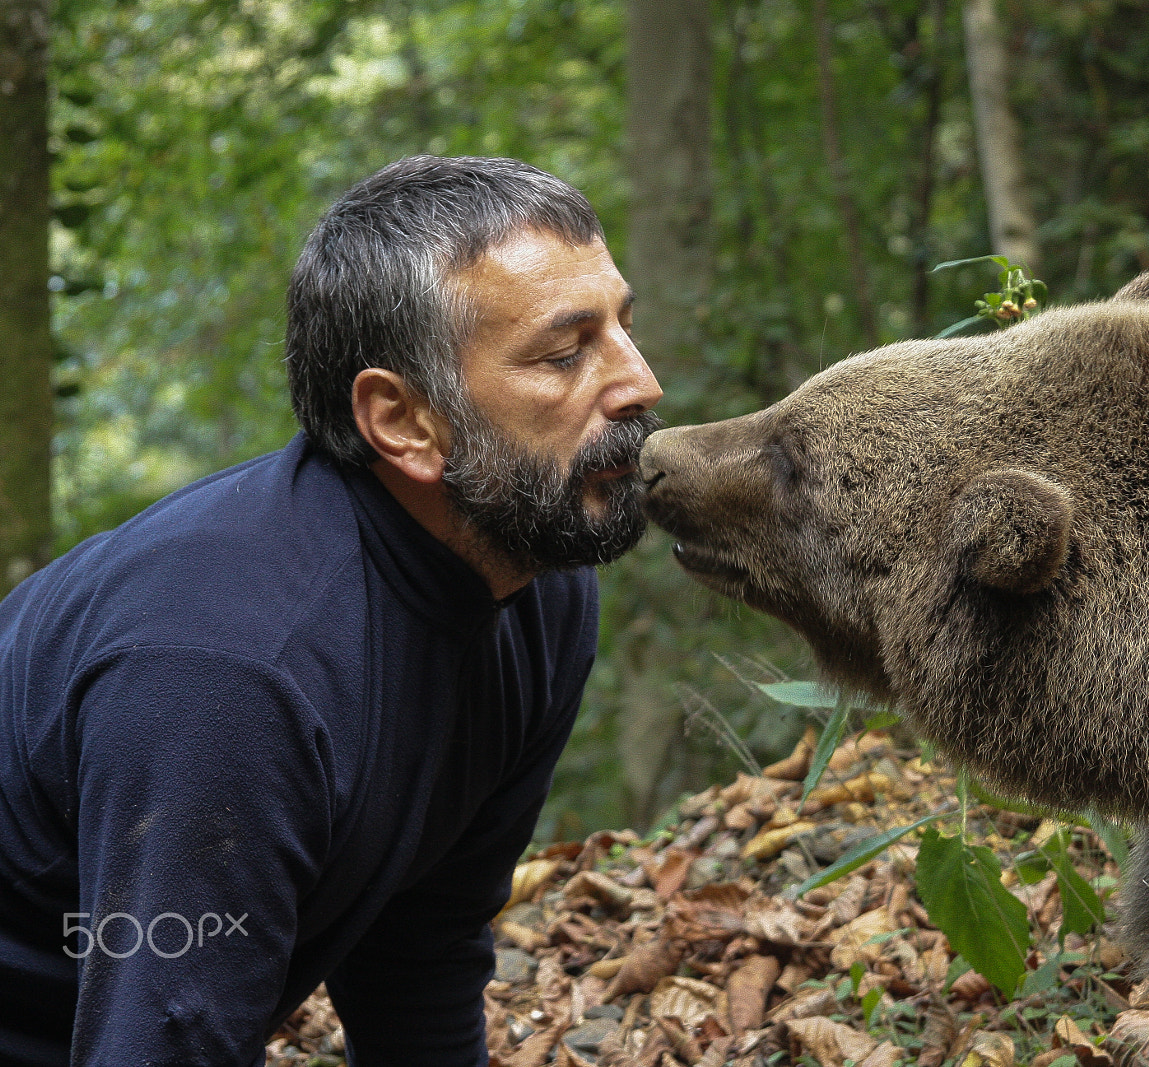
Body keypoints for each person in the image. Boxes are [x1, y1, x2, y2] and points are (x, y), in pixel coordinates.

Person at [0, 155, 662, 1065]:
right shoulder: (232, 671)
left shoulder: (537, 582)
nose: (640, 382)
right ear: (402, 421)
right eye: (564, 352)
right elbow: (162, 1038)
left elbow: (421, 947)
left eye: (626, 327)